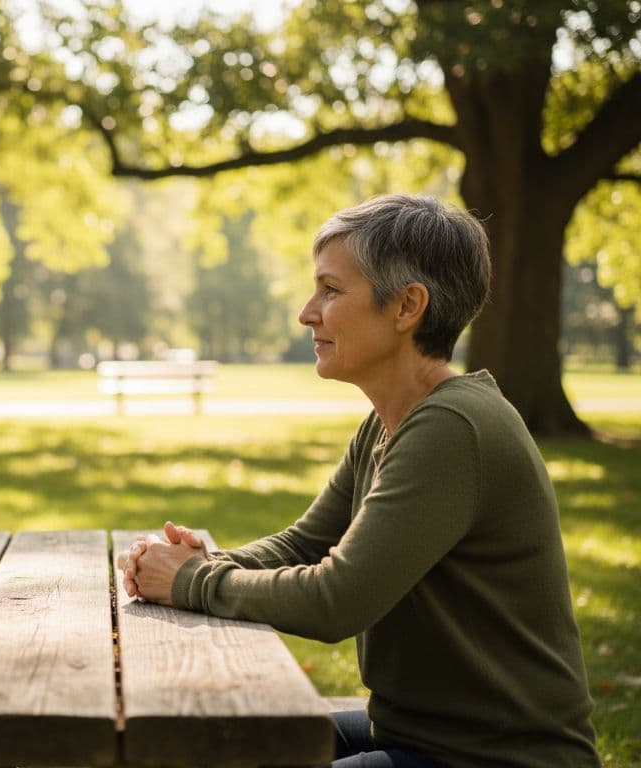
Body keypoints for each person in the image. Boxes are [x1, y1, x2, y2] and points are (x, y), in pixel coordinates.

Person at [118, 194, 599, 768]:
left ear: (406, 307)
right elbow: (304, 544)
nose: (306, 312)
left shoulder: (454, 428)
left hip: (497, 759)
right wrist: (205, 561)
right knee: (215, 742)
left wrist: (194, 581)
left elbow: (336, 600)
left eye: (331, 290)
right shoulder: (390, 420)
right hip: (416, 733)